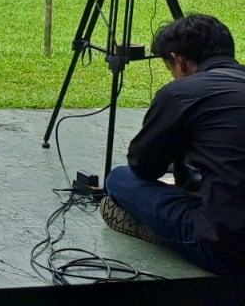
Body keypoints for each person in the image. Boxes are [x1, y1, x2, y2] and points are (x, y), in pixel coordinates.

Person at [101, 14, 245, 273]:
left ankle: (159, 232)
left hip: (225, 245)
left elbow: (143, 166)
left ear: (179, 60)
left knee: (119, 179)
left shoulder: (181, 94)